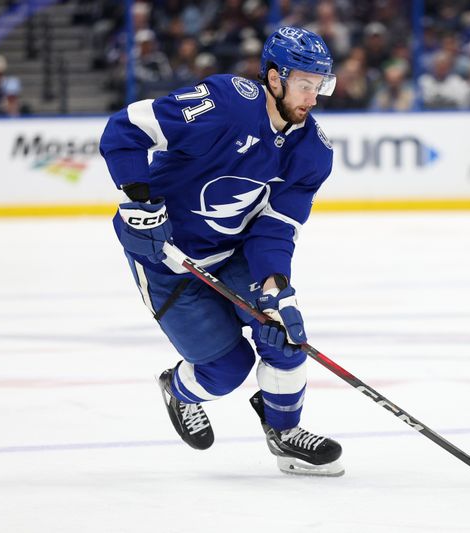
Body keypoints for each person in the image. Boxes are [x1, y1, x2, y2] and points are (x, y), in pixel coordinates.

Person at [99, 26, 343, 477]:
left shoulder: (312, 152)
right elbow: (125, 130)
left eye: (319, 85)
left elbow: (275, 228)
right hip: (165, 257)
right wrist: (138, 200)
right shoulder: (225, 104)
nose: (313, 97)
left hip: (232, 253)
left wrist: (275, 287)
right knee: (227, 370)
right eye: (305, 84)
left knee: (286, 334)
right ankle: (179, 389)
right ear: (274, 78)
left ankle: (285, 434)